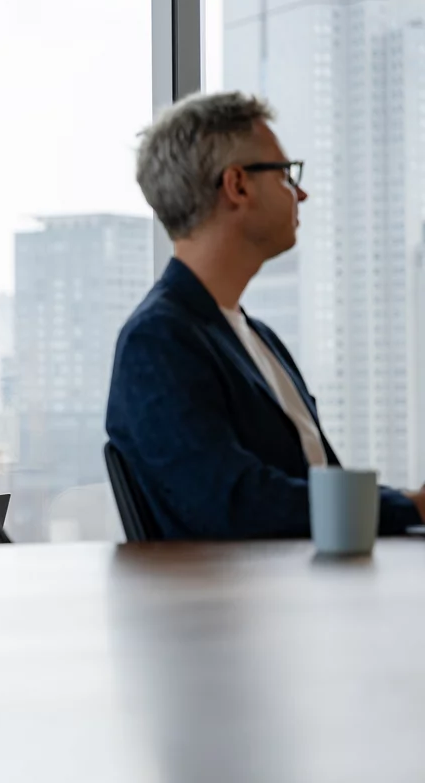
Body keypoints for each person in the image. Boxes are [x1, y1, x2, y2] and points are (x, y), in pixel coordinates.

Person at [106, 91, 425, 539]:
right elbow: (235, 503)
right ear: (237, 185)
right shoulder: (158, 341)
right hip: (253, 602)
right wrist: (409, 507)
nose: (302, 192)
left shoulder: (256, 338)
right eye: (287, 175)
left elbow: (317, 487)